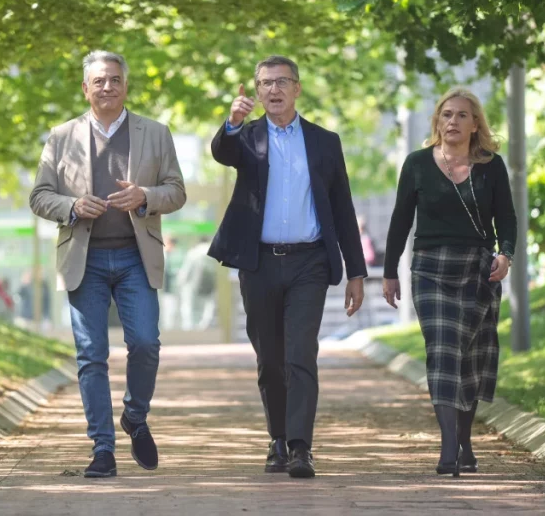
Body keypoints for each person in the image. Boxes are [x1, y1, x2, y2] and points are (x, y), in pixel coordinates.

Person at [29, 50, 186, 479]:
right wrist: (73, 205)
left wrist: (146, 197)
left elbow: (177, 191)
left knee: (146, 344)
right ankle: (103, 448)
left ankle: (135, 416)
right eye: (99, 81)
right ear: (86, 88)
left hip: (137, 257)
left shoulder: (155, 133)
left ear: (125, 85)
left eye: (115, 79)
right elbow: (39, 196)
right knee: (91, 354)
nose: (107, 87)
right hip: (86, 259)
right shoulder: (61, 137)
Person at [208, 55, 367, 478]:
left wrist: (356, 272)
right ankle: (276, 439)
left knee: (301, 354)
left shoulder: (324, 141)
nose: (273, 90)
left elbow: (342, 207)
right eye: (265, 83)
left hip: (308, 262)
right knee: (270, 359)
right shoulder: (246, 137)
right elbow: (221, 153)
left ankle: (300, 447)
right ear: (256, 92)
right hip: (258, 263)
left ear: (297, 88)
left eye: (282, 82)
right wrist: (231, 123)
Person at [381, 87, 516, 477]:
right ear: (437, 122)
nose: (452, 122)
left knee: (470, 358)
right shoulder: (418, 164)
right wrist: (389, 272)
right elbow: (400, 220)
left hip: (478, 268)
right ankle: (448, 447)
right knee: (443, 351)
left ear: (476, 125)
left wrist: (505, 254)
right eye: (446, 115)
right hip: (430, 269)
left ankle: (465, 441)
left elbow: (506, 217)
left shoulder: (492, 166)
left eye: (461, 115)